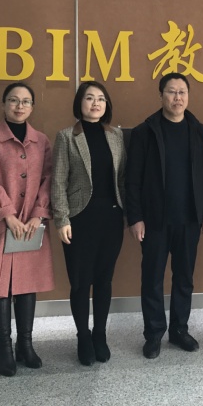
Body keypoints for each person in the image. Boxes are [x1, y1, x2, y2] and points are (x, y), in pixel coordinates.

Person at [126, 73, 203, 359]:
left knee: (184, 278)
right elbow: (132, 179)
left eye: (182, 92)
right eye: (172, 92)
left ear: (188, 96)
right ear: (161, 95)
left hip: (190, 219)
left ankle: (179, 330)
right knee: (152, 278)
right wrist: (135, 217)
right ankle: (153, 334)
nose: (178, 97)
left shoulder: (199, 130)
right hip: (155, 220)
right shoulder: (145, 132)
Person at [0, 82, 54, 377]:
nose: (20, 106)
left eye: (26, 101)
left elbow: (48, 179)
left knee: (26, 283)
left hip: (31, 224)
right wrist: (7, 214)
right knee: (0, 286)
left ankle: (26, 345)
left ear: (32, 106)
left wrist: (38, 214)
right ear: (4, 104)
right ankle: (3, 348)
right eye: (14, 100)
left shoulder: (41, 141)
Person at [51, 81, 126, 366]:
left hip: (111, 218)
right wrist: (62, 218)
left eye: (101, 99)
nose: (96, 103)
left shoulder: (116, 135)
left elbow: (122, 178)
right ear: (79, 103)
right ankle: (83, 336)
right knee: (81, 282)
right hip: (79, 220)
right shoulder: (66, 137)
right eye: (90, 98)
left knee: (104, 280)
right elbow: (58, 181)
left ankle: (100, 334)